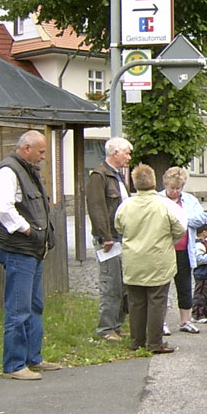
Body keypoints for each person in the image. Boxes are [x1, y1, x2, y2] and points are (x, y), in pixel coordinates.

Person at [0, 129, 61, 380]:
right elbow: (1, 207)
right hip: (18, 250)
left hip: (31, 250)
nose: (43, 156)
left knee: (34, 306)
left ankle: (33, 358)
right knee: (18, 308)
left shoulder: (28, 170)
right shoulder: (9, 171)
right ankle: (14, 365)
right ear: (26, 148)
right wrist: (26, 228)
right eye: (41, 151)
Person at [114, 163, 185, 354]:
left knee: (136, 302)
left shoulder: (125, 205)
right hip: (158, 260)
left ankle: (136, 341)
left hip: (133, 260)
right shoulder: (165, 205)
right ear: (154, 181)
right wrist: (168, 238)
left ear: (134, 182)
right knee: (157, 301)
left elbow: (119, 227)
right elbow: (180, 228)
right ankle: (154, 343)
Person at [85, 136, 132, 342]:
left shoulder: (117, 176)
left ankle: (116, 325)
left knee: (123, 285)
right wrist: (105, 237)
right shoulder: (99, 176)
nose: (129, 157)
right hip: (109, 240)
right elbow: (96, 208)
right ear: (115, 153)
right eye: (127, 153)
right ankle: (105, 329)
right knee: (110, 283)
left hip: (121, 238)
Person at [159, 167, 207, 335]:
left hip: (184, 249)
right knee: (162, 286)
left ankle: (185, 320)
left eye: (178, 188)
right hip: (164, 250)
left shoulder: (189, 200)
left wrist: (183, 217)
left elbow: (202, 218)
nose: (174, 191)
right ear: (166, 185)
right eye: (172, 188)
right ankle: (161, 321)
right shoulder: (158, 199)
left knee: (185, 285)